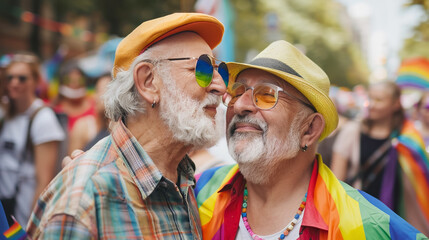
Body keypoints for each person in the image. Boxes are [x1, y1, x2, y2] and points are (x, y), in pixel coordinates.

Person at [195, 41, 427, 239]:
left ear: (310, 128)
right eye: (237, 92)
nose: (241, 105)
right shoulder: (197, 192)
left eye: (266, 95)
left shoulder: (368, 225)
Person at [26, 12, 228, 239]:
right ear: (148, 82)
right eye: (202, 69)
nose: (220, 86)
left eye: (220, 71)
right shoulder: (83, 204)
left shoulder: (181, 180)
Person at [331, 81, 429, 235]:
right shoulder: (352, 131)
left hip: (394, 220)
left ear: (396, 104)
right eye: (370, 98)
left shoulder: (409, 138)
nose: (371, 104)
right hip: (357, 218)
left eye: (379, 100)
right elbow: (336, 181)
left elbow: (420, 184)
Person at [0, 53, 65, 227]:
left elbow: (44, 179)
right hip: (3, 208)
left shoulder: (43, 118)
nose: (14, 83)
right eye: (10, 77)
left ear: (36, 82)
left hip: (22, 212)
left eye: (22, 78)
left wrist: (32, 224)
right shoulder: (5, 113)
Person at [68, 74, 111, 152]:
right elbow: (71, 162)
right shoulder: (83, 126)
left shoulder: (123, 128)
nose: (95, 96)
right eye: (96, 91)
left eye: (101, 91)